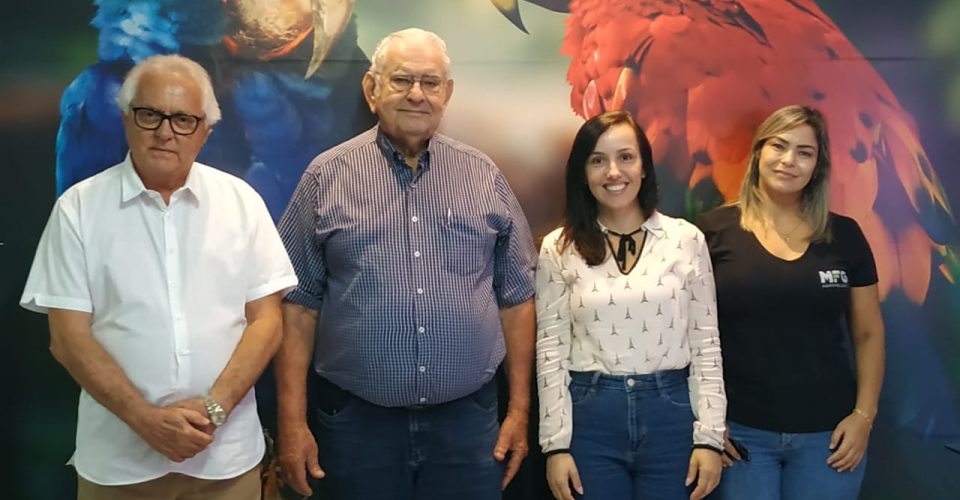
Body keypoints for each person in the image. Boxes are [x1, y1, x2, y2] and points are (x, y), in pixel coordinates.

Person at [274, 28, 538, 500]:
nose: (417, 94)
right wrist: (291, 424)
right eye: (401, 80)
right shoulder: (325, 176)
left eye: (430, 82)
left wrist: (519, 411)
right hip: (357, 427)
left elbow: (517, 299)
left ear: (447, 93)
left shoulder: (484, 175)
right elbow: (297, 308)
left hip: (468, 425)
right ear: (371, 90)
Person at [20, 54, 298, 499]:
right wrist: (145, 420)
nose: (166, 132)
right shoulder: (78, 209)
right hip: (119, 464)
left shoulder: (241, 202)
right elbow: (67, 337)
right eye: (151, 115)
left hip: (225, 461)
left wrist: (214, 408)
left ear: (206, 131)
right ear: (127, 119)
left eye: (185, 119)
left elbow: (266, 321)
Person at [535, 110, 726, 500]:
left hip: (671, 414)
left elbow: (706, 342)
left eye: (625, 157)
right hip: (590, 417)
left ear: (644, 167)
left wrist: (709, 437)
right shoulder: (559, 247)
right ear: (582, 173)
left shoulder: (684, 239)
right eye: (597, 160)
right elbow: (550, 350)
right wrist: (555, 445)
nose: (613, 172)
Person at [697, 105, 885, 500]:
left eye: (804, 152)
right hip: (741, 435)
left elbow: (868, 334)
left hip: (828, 438)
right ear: (758, 153)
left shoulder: (845, 236)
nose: (789, 160)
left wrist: (863, 417)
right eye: (779, 146)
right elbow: (689, 337)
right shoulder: (712, 232)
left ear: (818, 165)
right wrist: (709, 424)